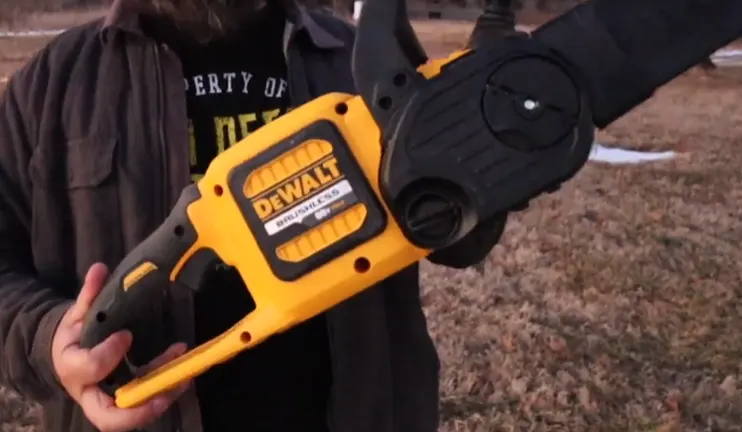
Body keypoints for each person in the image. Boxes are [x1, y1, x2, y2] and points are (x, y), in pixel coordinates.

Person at [0, 0, 507, 431]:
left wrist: (491, 145)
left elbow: (460, 239)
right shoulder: (51, 89)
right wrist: (50, 339)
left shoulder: (357, 62)